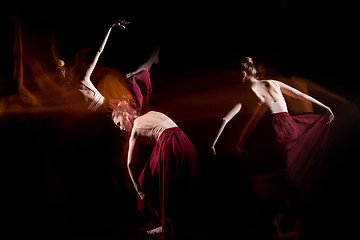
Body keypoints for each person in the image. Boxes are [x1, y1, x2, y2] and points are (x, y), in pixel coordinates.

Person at [211, 57, 334, 238]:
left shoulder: (248, 92)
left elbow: (226, 119)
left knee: (279, 172)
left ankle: (282, 214)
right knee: (290, 171)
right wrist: (326, 108)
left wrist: (214, 143)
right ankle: (289, 216)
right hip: (290, 125)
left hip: (276, 130)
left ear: (244, 74)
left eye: (238, 76)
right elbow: (300, 95)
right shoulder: (273, 83)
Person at [111, 99, 200, 239]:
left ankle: (166, 223)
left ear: (125, 116)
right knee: (175, 183)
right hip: (185, 141)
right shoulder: (152, 113)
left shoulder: (135, 129)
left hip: (169, 143)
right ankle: (171, 223)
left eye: (119, 123)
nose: (120, 128)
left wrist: (140, 191)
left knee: (145, 180)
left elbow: (130, 164)